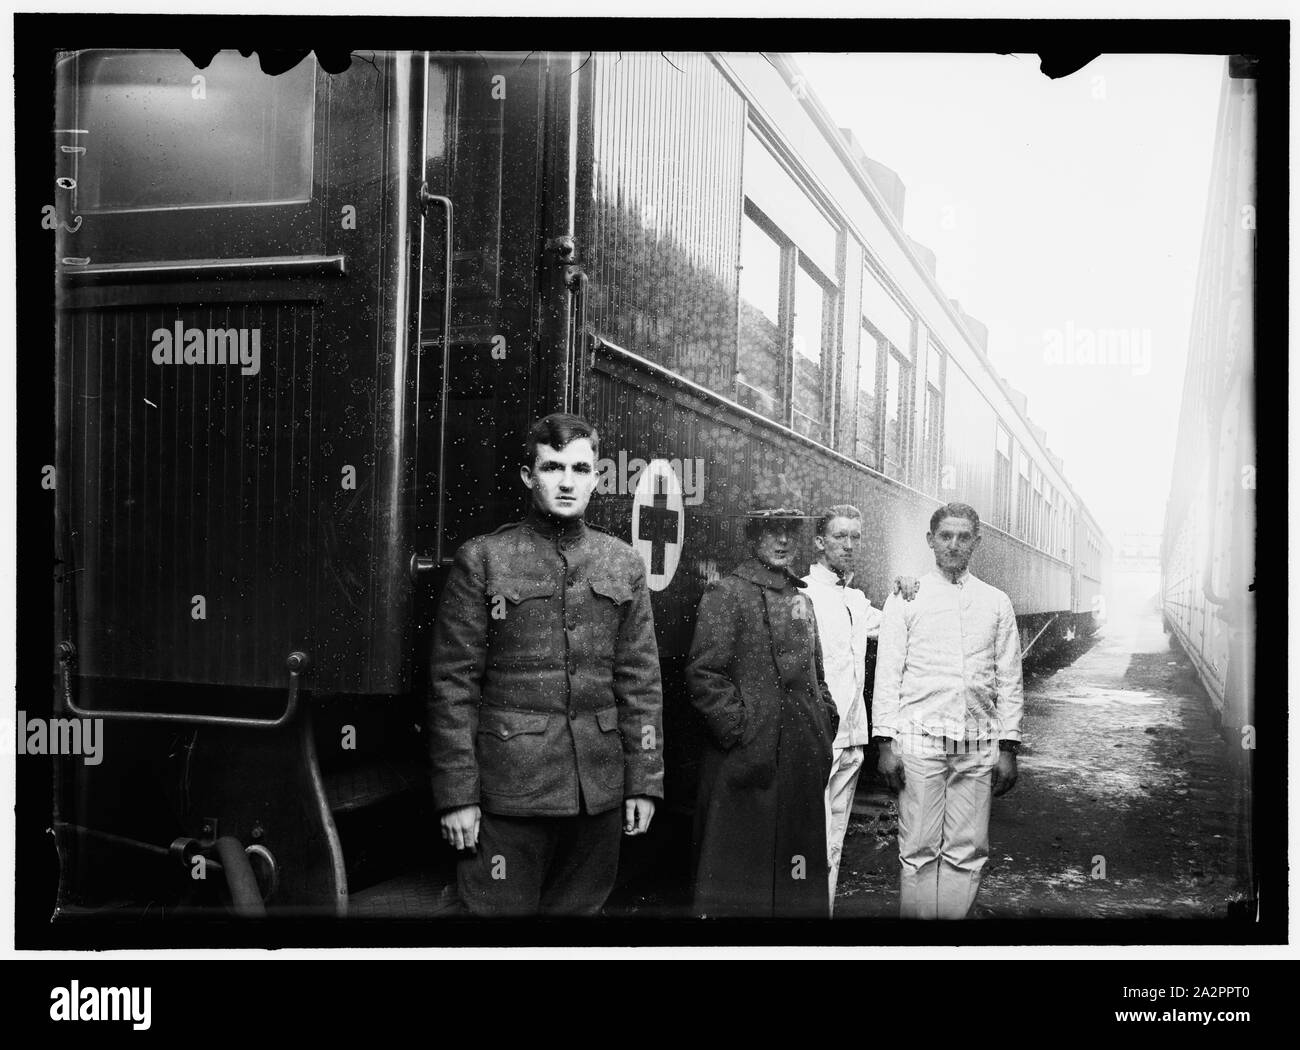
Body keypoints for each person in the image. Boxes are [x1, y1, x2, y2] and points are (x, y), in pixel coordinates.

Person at [426, 413, 664, 916]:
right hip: (510, 794)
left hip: (596, 795)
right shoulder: (485, 559)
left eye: (581, 469)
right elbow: (454, 686)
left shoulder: (621, 563)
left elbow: (640, 683)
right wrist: (457, 796)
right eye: (552, 467)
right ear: (528, 476)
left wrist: (643, 781)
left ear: (597, 478)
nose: (567, 481)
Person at [871, 501, 1024, 919]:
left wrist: (1008, 748)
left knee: (968, 850)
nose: (954, 545)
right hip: (919, 742)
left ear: (976, 542)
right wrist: (885, 742)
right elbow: (888, 674)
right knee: (918, 848)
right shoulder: (906, 598)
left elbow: (1009, 678)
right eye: (945, 536)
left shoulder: (996, 602)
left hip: (977, 745)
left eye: (963, 537)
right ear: (930, 541)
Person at [686, 505, 839, 918]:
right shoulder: (728, 593)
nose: (783, 540)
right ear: (753, 537)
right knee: (741, 883)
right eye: (772, 531)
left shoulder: (800, 598)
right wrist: (742, 731)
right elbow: (705, 674)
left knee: (795, 885)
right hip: (745, 766)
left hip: (801, 761)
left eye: (790, 531)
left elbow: (815, 672)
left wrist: (823, 720)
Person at [800, 505, 882, 914]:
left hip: (852, 740)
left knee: (834, 844)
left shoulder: (856, 599)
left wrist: (908, 589)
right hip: (818, 740)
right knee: (809, 843)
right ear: (820, 542)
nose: (849, 545)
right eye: (840, 536)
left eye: (856, 537)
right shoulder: (802, 594)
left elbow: (897, 624)